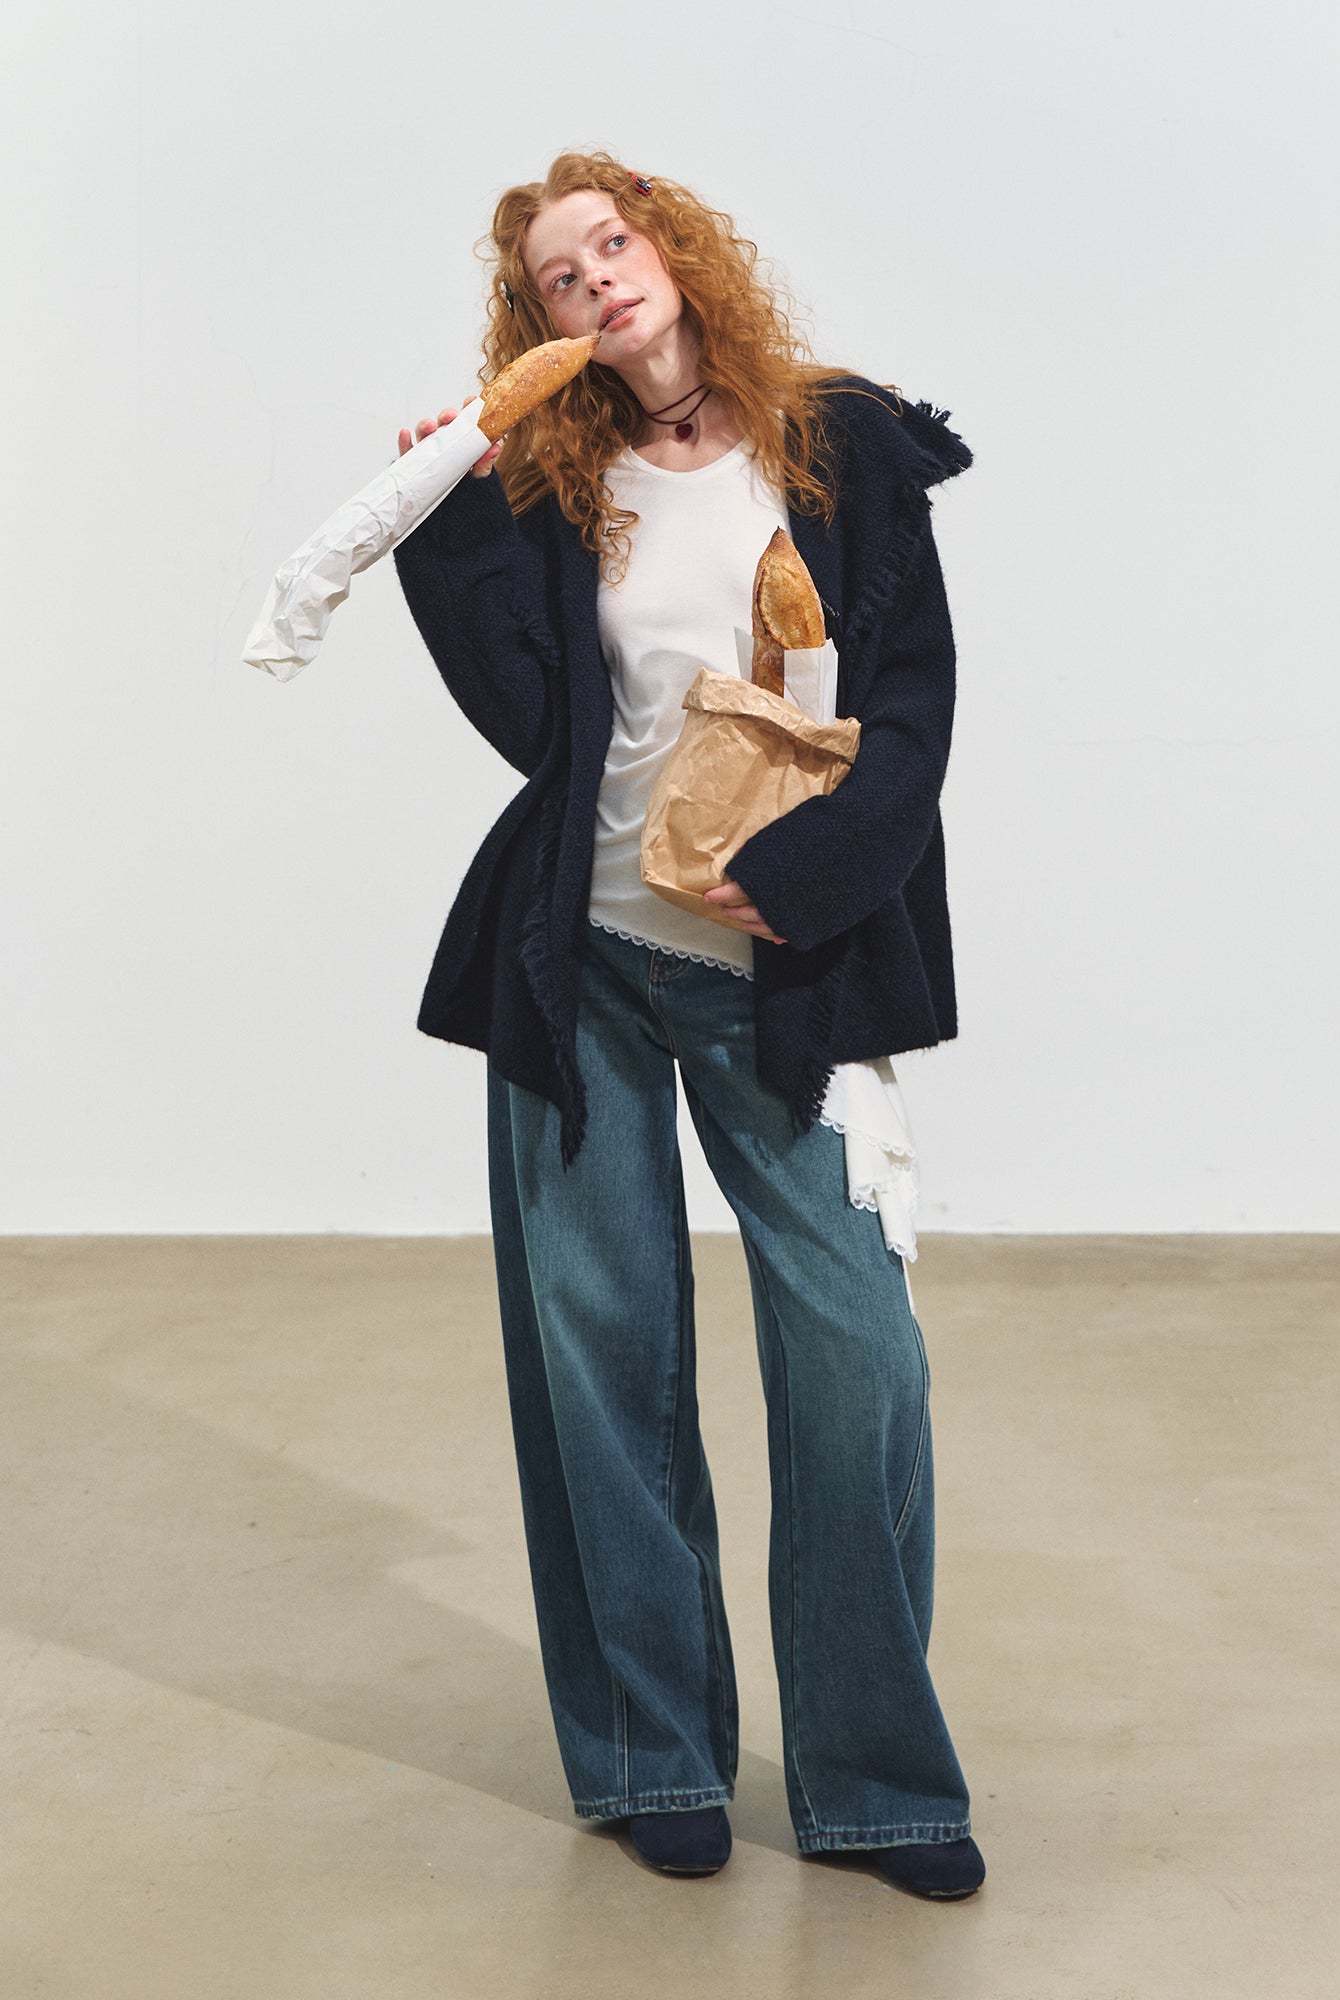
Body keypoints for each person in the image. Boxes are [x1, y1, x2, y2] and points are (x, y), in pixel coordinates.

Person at [391, 150, 982, 1900]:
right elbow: (532, 724)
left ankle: (877, 1784)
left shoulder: (837, 440)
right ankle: (655, 1754)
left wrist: (815, 877)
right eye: (558, 279)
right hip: (577, 957)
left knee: (857, 1355)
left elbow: (914, 707)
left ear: (672, 247)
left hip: (782, 969)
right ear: (543, 323)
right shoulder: (558, 480)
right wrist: (448, 509)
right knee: (609, 1364)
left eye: (612, 244)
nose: (596, 283)